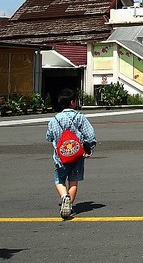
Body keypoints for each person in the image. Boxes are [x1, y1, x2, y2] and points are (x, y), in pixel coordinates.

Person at [46, 88, 96, 219]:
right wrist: (89, 148)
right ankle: (70, 206)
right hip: (76, 156)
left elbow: (49, 136)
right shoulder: (79, 117)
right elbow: (90, 135)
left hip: (60, 156)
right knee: (73, 182)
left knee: (59, 180)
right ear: (73, 102)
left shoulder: (54, 120)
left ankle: (64, 197)